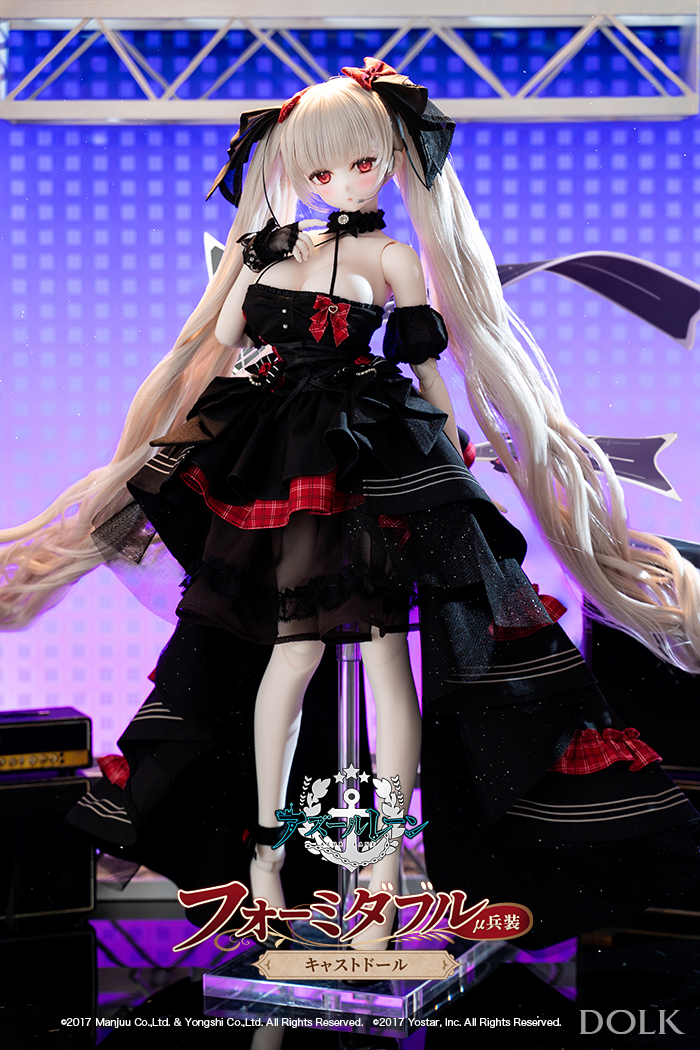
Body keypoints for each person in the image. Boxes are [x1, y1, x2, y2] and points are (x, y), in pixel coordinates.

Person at [2, 61, 700, 949]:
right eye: (320, 170)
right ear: (295, 172)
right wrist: (247, 347)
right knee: (287, 656)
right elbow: (221, 344)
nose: (342, 182)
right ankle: (265, 853)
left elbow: (428, 366)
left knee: (384, 660)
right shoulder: (271, 252)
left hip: (374, 457)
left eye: (362, 164)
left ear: (391, 161)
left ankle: (379, 868)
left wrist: (450, 449)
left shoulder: (393, 256)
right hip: (283, 463)